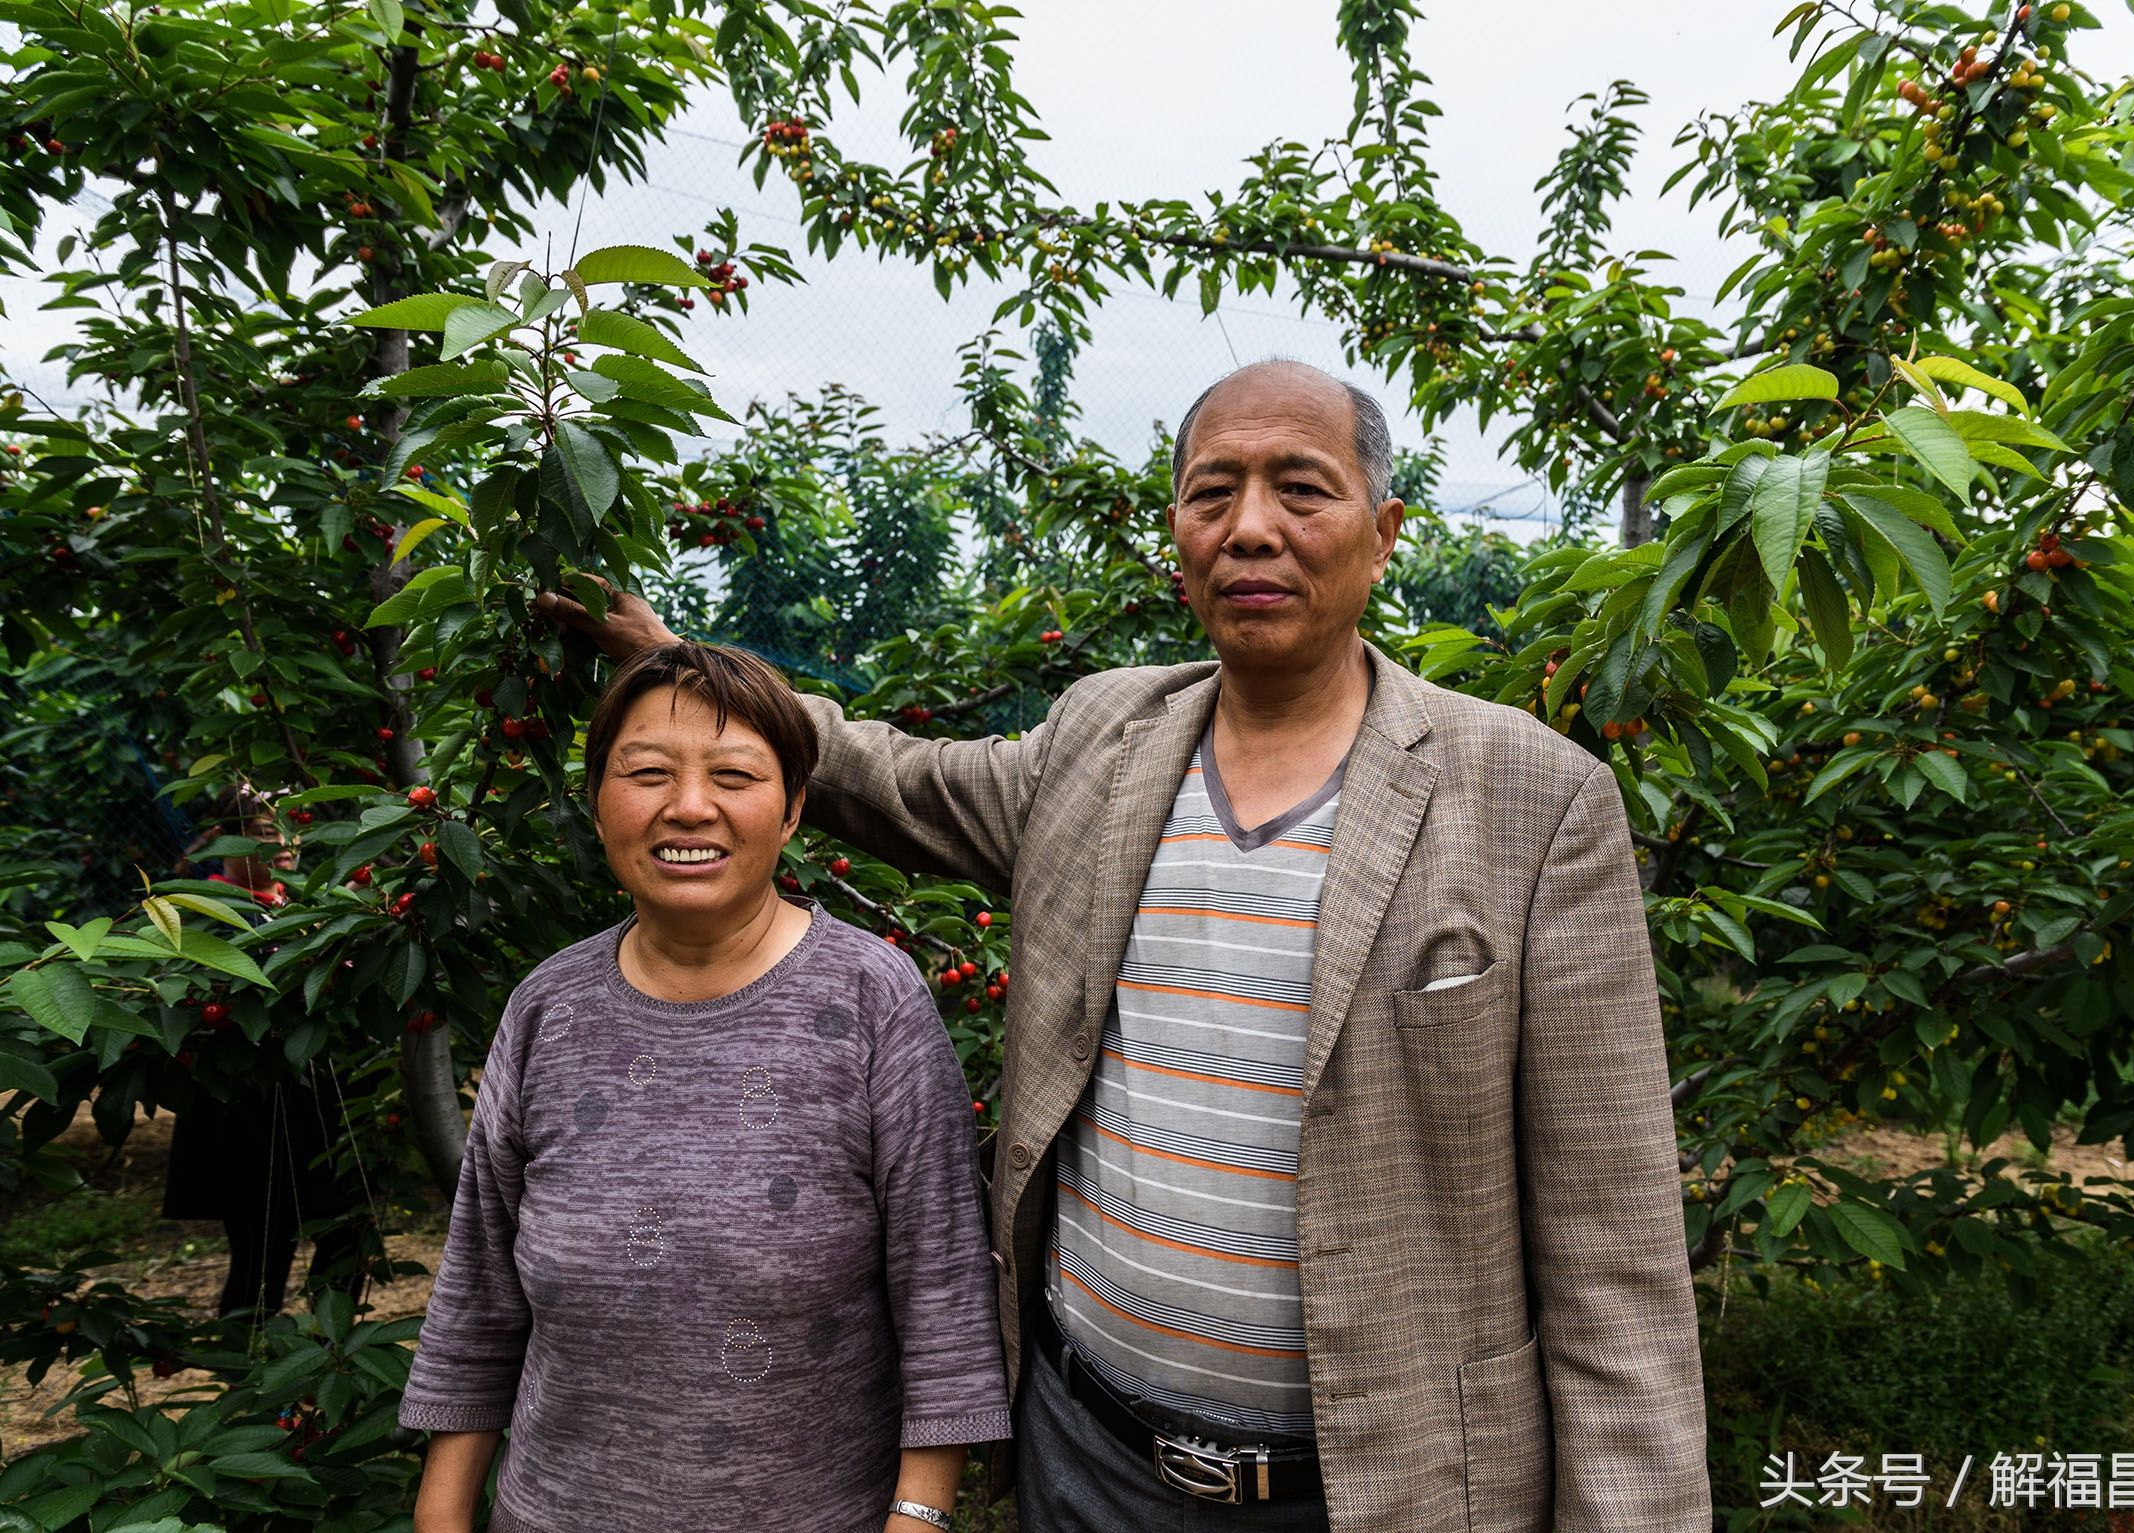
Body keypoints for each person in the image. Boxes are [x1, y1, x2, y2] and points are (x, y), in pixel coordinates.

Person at [546, 359, 1710, 1531]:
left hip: (1390, 1491)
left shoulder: (1530, 796)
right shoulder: (1104, 741)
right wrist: (692, 679)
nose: (1250, 527)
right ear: (1177, 534)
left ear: (1383, 530)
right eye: (1212, 494)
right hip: (1093, 1465)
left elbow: (1612, 1253)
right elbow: (901, 781)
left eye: (1300, 489)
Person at [397, 641, 1009, 1533]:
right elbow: (479, 1297)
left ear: (795, 806)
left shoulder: (874, 1001)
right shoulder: (547, 1010)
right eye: (647, 772)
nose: (689, 807)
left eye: (734, 774)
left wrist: (918, 1515)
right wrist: (443, 1515)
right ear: (598, 798)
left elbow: (944, 1293)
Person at [162, 783, 370, 1317]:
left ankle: (330, 1360)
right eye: (262, 832)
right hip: (246, 1117)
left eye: (290, 828)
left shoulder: (303, 908)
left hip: (316, 1106)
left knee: (348, 1231)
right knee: (261, 1246)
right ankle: (249, 1378)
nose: (282, 842)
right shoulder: (201, 913)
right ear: (226, 842)